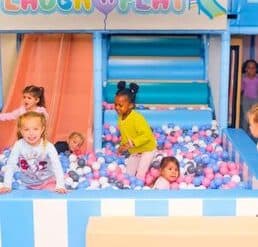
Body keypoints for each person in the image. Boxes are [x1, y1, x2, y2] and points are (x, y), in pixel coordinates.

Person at [0, 111, 67, 194]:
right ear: (21, 131)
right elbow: (11, 165)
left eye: (35, 129)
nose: (31, 133)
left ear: (42, 129)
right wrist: (7, 185)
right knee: (18, 194)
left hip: (46, 182)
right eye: (26, 129)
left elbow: (56, 165)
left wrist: (60, 185)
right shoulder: (19, 145)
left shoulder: (48, 146)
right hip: (26, 184)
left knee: (53, 194)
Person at [115, 81, 157, 180]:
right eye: (115, 104)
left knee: (140, 175)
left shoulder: (137, 118)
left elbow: (146, 135)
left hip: (147, 149)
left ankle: (156, 158)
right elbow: (125, 135)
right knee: (128, 176)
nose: (117, 108)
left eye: (120, 105)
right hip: (135, 152)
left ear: (130, 105)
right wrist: (122, 146)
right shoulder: (120, 118)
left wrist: (131, 143)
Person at [240, 59, 258, 132]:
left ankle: (253, 132)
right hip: (246, 99)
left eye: (253, 68)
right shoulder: (243, 78)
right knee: (245, 116)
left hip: (255, 100)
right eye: (249, 68)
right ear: (245, 69)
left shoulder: (257, 79)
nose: (251, 70)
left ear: (256, 69)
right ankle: (244, 132)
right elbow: (241, 89)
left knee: (254, 116)